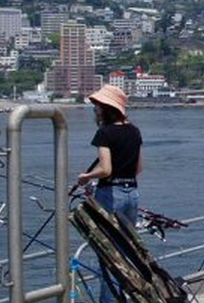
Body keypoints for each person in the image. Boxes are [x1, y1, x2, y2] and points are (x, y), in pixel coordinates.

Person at [76, 85, 143, 303]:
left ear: (106, 108)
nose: (95, 110)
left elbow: (105, 170)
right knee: (125, 251)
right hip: (132, 193)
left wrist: (86, 177)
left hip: (110, 193)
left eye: (97, 106)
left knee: (108, 255)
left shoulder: (104, 133)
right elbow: (139, 168)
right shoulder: (134, 131)